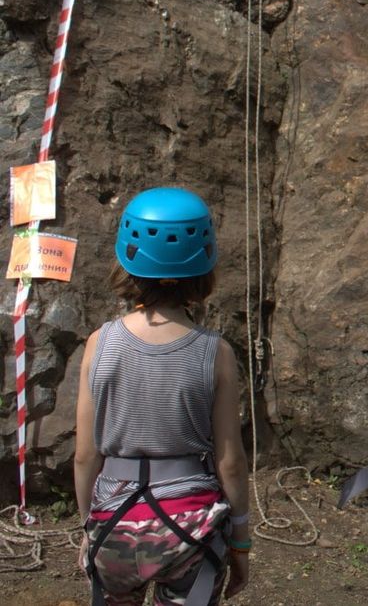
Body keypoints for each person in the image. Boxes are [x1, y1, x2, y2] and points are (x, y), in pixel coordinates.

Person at [74, 187, 251, 606]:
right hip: (190, 530)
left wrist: (89, 529)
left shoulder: (99, 344)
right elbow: (230, 461)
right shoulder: (215, 352)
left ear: (126, 259)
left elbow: (85, 455)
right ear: (205, 267)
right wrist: (241, 542)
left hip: (114, 523)